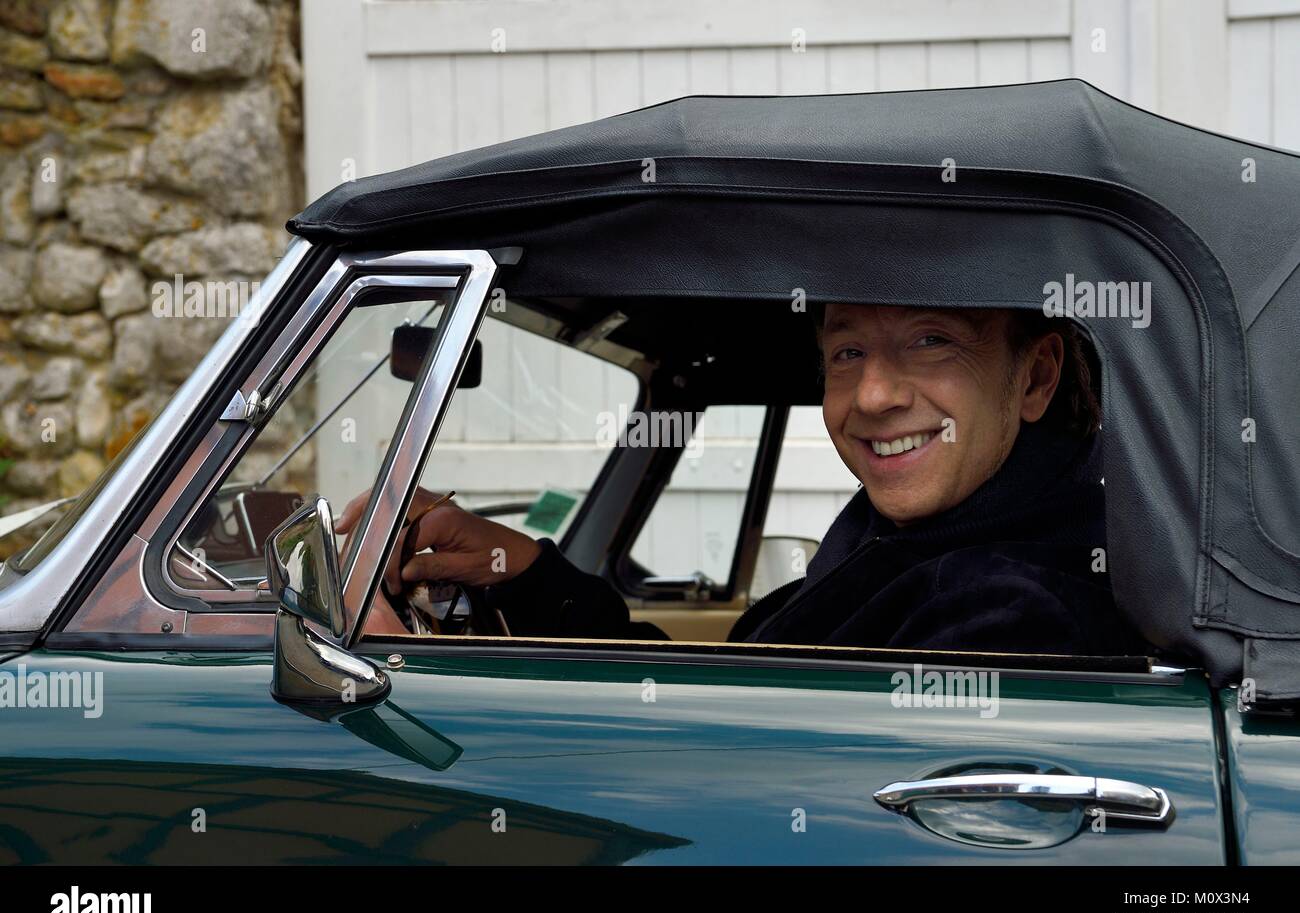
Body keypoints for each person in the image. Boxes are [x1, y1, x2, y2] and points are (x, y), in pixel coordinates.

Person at [337, 304, 1151, 656]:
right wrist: (520, 569)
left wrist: (422, 687)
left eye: (932, 339)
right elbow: (709, 700)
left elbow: (736, 785)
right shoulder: (910, 544)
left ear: (1036, 378)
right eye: (847, 351)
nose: (872, 395)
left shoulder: (1012, 609)